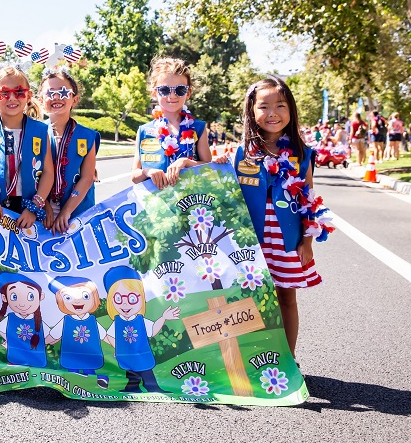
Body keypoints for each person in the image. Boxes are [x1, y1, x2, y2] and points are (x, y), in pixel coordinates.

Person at [232, 76, 333, 359]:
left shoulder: (302, 154)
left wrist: (307, 241)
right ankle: (256, 359)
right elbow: (227, 193)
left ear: (291, 110)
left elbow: (309, 200)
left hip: (286, 239)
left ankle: (288, 359)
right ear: (251, 111)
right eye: (264, 106)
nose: (273, 113)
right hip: (252, 241)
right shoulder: (242, 152)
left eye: (280, 105)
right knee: (251, 300)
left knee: (286, 296)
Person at [0, 63, 55, 229]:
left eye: (19, 92)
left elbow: (48, 172)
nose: (12, 98)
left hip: (29, 211)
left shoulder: (40, 130)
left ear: (28, 96)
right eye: (4, 93)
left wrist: (35, 206)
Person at [132, 57, 212, 189]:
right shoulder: (144, 131)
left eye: (180, 90)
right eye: (164, 90)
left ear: (188, 93)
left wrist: (186, 162)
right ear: (154, 92)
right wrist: (147, 172)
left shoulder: (198, 128)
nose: (172, 95)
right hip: (156, 199)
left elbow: (209, 167)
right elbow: (134, 176)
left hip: (190, 198)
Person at [39, 66, 98, 233]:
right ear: (41, 99)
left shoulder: (87, 136)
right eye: (50, 93)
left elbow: (87, 178)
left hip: (77, 212)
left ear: (75, 99)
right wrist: (44, 204)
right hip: (40, 213)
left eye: (63, 92)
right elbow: (31, 176)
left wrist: (66, 211)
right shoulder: (34, 133)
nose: (56, 97)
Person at [102, 266, 179, 393]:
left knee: (146, 369)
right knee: (130, 371)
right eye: (118, 299)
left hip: (142, 353)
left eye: (132, 298)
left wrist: (163, 318)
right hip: (126, 354)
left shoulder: (140, 320)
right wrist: (117, 347)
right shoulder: (117, 322)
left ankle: (152, 387)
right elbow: (109, 336)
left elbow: (153, 331)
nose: (125, 303)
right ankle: (132, 387)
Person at [44, 276, 108, 388]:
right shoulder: (66, 320)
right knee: (73, 373)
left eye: (85, 296)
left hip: (89, 354)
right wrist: (41, 343)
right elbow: (54, 336)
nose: (77, 301)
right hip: (71, 354)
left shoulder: (92, 320)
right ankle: (76, 387)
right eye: (68, 298)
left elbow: (104, 336)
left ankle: (97, 382)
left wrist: (117, 346)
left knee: (89, 371)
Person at [0, 272, 47, 368]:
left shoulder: (39, 321)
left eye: (30, 296)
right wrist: (10, 340)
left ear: (41, 297)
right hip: (15, 359)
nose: (22, 304)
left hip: (37, 360)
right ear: (5, 298)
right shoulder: (10, 317)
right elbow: (0, 329)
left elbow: (50, 336)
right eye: (14, 297)